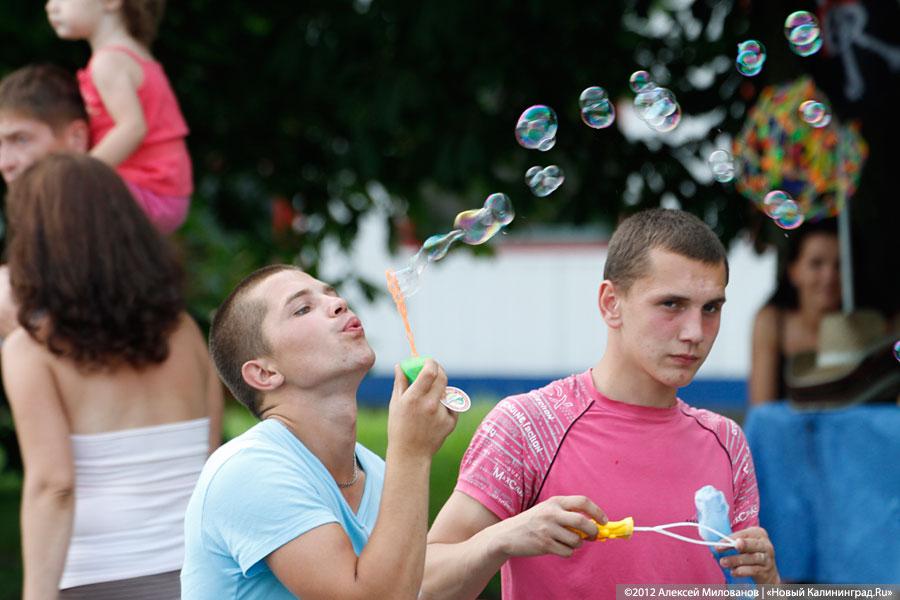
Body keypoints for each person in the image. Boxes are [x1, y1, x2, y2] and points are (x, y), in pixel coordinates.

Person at [422, 209, 780, 599]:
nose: (695, 332)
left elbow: (742, 585)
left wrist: (769, 582)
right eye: (672, 305)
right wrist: (501, 539)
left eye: (711, 308)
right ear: (611, 303)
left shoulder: (727, 440)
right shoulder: (529, 425)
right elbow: (423, 586)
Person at [3, 153, 222, 599]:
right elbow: (210, 458)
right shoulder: (183, 332)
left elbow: (53, 486)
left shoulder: (31, 351)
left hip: (99, 578)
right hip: (202, 575)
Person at [181, 264, 458, 597]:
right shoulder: (248, 470)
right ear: (265, 373)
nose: (339, 304)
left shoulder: (380, 475)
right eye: (302, 309)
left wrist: (500, 540)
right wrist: (411, 453)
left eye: (332, 294)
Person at [45, 0, 193, 234]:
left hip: (148, 192)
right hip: (167, 194)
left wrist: (80, 172)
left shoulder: (109, 62)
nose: (51, 7)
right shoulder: (135, 52)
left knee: (54, 201)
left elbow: (132, 127)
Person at [0, 63, 90, 340]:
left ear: (76, 138)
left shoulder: (95, 215)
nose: (5, 163)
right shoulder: (37, 215)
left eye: (21, 140)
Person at [748, 219, 840, 405]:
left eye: (839, 265)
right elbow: (762, 411)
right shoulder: (772, 322)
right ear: (794, 272)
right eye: (816, 264)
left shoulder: (867, 322)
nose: (829, 276)